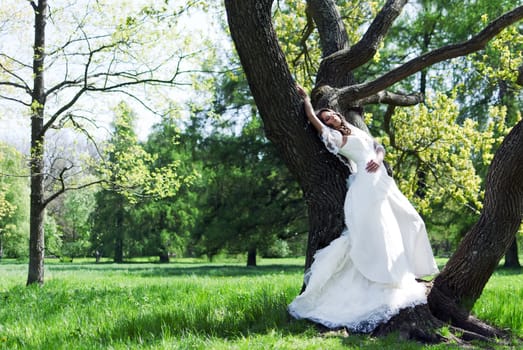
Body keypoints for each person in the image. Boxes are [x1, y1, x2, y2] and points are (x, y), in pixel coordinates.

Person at [288, 85, 439, 333]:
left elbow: (378, 147)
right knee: (381, 231)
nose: (330, 120)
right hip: (366, 188)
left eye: (331, 116)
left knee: (412, 220)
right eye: (327, 120)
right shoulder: (333, 136)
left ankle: (413, 269)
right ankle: (384, 278)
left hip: (382, 182)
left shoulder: (354, 128)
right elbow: (314, 120)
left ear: (337, 114)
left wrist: (377, 159)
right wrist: (306, 100)